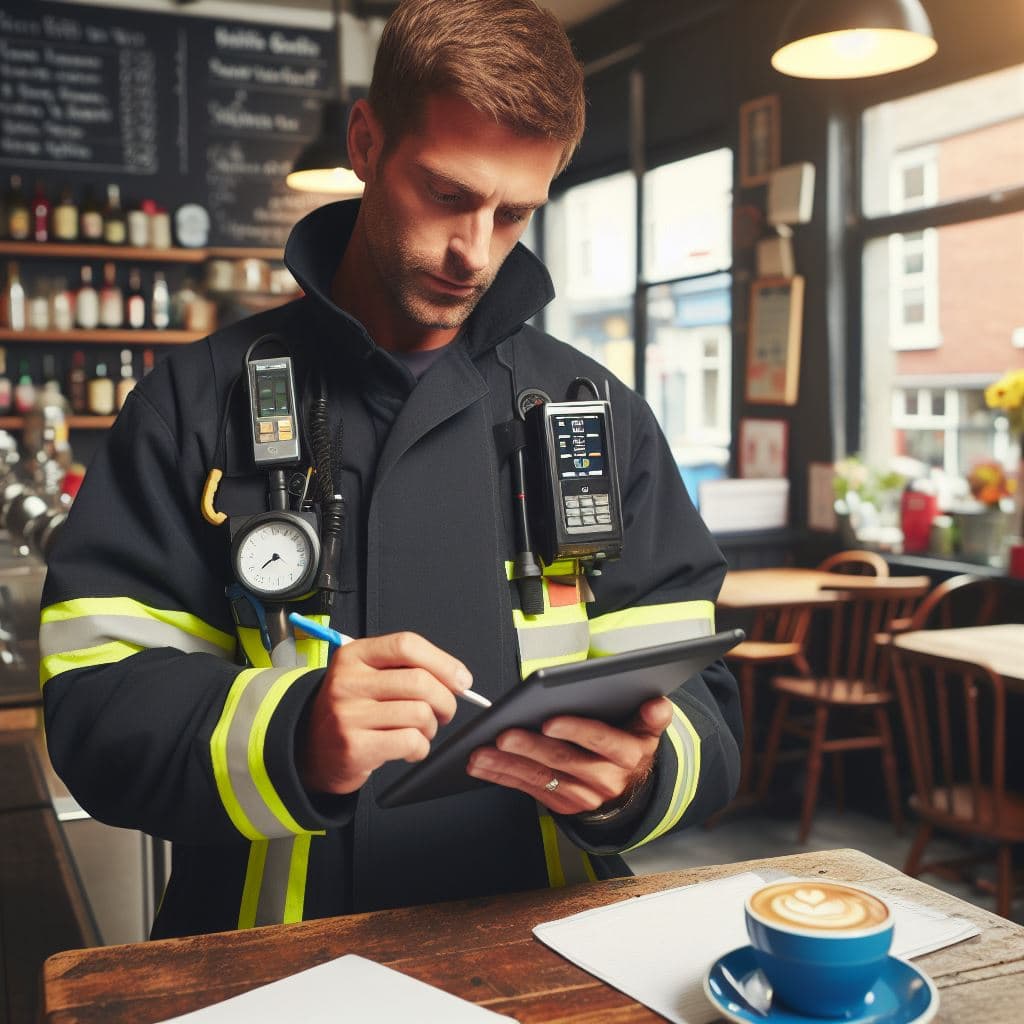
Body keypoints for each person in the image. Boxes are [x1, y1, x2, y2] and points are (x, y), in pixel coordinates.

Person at [39, 0, 741, 939]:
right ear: (366, 142)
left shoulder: (598, 411)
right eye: (447, 194)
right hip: (267, 957)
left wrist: (637, 779)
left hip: (546, 952)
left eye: (514, 213)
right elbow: (94, 700)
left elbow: (704, 708)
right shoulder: (193, 402)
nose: (474, 251)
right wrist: (295, 736)